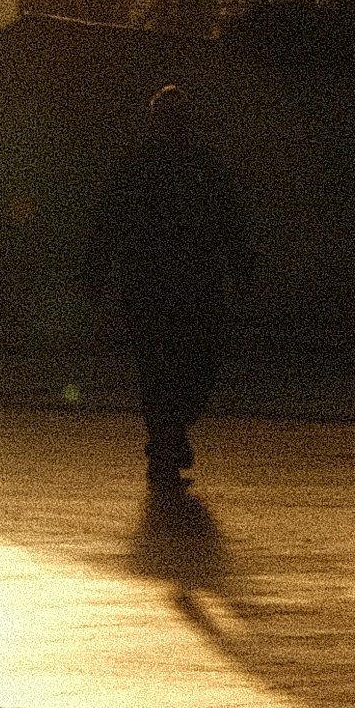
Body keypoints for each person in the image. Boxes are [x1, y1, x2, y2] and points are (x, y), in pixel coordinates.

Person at [83, 79, 251, 485]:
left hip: (151, 282)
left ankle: (165, 437)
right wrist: (243, 270)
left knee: (159, 367)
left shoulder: (138, 166)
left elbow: (107, 223)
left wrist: (94, 275)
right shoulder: (201, 168)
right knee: (191, 363)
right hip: (189, 282)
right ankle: (168, 437)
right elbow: (231, 224)